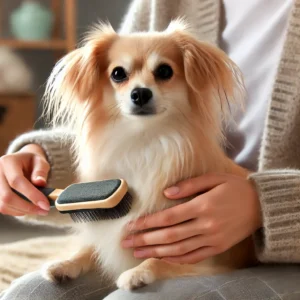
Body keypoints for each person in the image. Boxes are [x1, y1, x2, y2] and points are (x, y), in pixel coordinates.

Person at [1, 0, 300, 299]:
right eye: (120, 75)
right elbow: (111, 127)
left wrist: (265, 206)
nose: (140, 87)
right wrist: (42, 162)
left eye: (163, 72)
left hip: (281, 254)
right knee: (32, 295)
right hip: (150, 244)